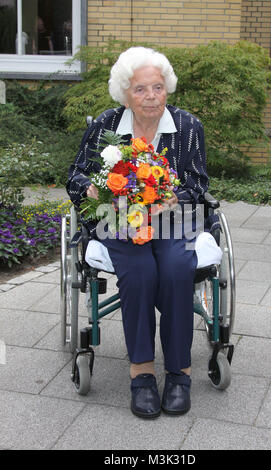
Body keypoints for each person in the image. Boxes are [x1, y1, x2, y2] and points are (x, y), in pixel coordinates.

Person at [67, 47, 210, 419]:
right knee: (142, 272)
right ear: (125, 93)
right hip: (117, 220)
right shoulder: (106, 125)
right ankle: (142, 373)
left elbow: (198, 183)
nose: (151, 97)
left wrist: (172, 198)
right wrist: (92, 190)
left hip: (173, 219)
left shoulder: (188, 127)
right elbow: (76, 175)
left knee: (178, 268)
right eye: (142, 89)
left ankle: (179, 373)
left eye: (158, 88)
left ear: (168, 89)